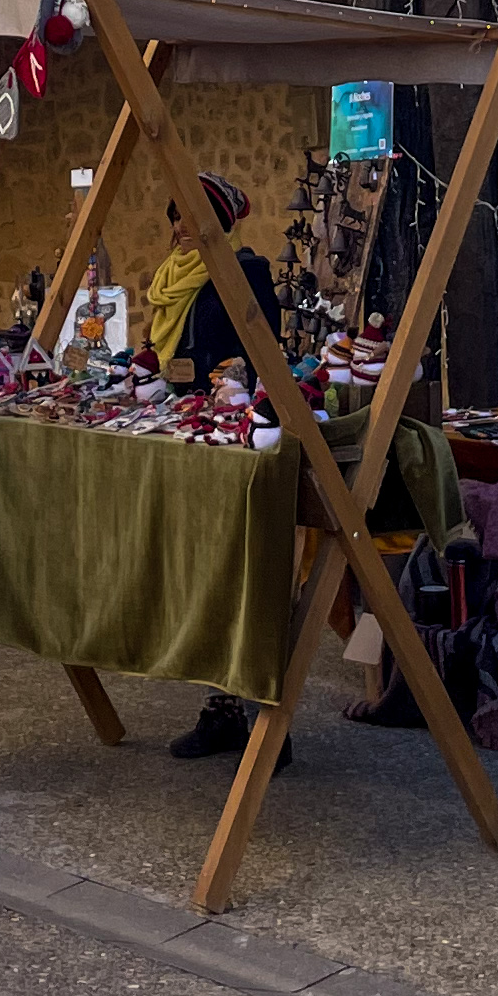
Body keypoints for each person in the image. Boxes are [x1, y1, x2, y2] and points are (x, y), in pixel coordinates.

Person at [160, 180, 294, 770]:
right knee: (204, 574)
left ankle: (272, 721)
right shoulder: (173, 276)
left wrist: (232, 390)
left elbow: (265, 348)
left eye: (191, 219)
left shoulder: (246, 271)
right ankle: (223, 708)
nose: (179, 230)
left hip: (237, 438)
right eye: (174, 220)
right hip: (189, 433)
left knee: (248, 574)